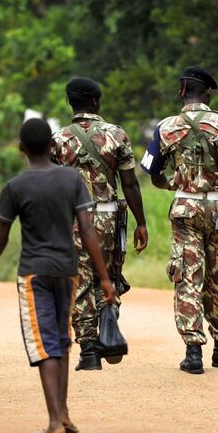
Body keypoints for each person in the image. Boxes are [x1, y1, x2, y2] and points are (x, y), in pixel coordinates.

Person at [0, 118, 116, 433]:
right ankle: (64, 414)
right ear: (53, 145)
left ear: (21, 148)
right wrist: (105, 277)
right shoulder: (71, 179)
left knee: (44, 343)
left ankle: (54, 420)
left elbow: (0, 238)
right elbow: (88, 229)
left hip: (34, 273)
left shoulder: (16, 187)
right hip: (67, 271)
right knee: (62, 340)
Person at [140, 66, 218, 374]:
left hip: (185, 209)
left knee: (188, 275)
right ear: (209, 93)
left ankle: (192, 352)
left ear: (182, 92)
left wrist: (172, 185)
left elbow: (151, 171)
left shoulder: (166, 127)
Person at [51, 76, 148, 371]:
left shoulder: (58, 140)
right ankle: (108, 323)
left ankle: (90, 351)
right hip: (108, 216)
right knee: (109, 274)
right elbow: (129, 184)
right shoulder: (116, 135)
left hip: (72, 220)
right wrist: (141, 223)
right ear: (96, 102)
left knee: (79, 281)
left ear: (70, 102)